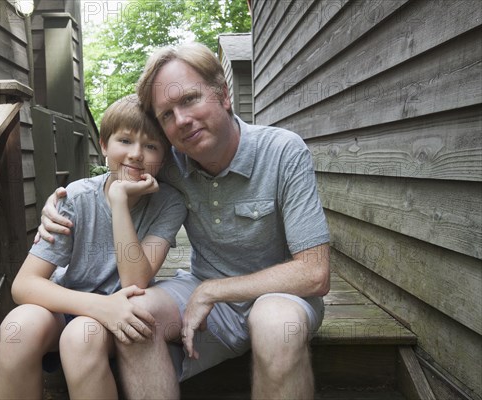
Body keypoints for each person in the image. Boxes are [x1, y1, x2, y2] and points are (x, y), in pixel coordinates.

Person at [38, 42, 330, 399]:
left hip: (279, 295)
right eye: (166, 114)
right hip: (199, 288)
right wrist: (60, 201)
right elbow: (116, 173)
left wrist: (213, 291)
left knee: (275, 324)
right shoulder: (169, 161)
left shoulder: (284, 151)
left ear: (223, 94)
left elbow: (314, 273)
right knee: (136, 312)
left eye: (190, 99)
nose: (182, 121)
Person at [0, 94, 187, 399]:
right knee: (16, 329)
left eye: (151, 146)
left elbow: (134, 281)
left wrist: (120, 201)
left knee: (81, 336)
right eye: (125, 140)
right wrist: (99, 306)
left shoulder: (169, 203)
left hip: (122, 313)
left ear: (164, 157)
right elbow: (24, 285)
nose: (136, 154)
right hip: (70, 302)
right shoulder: (75, 198)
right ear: (104, 145)